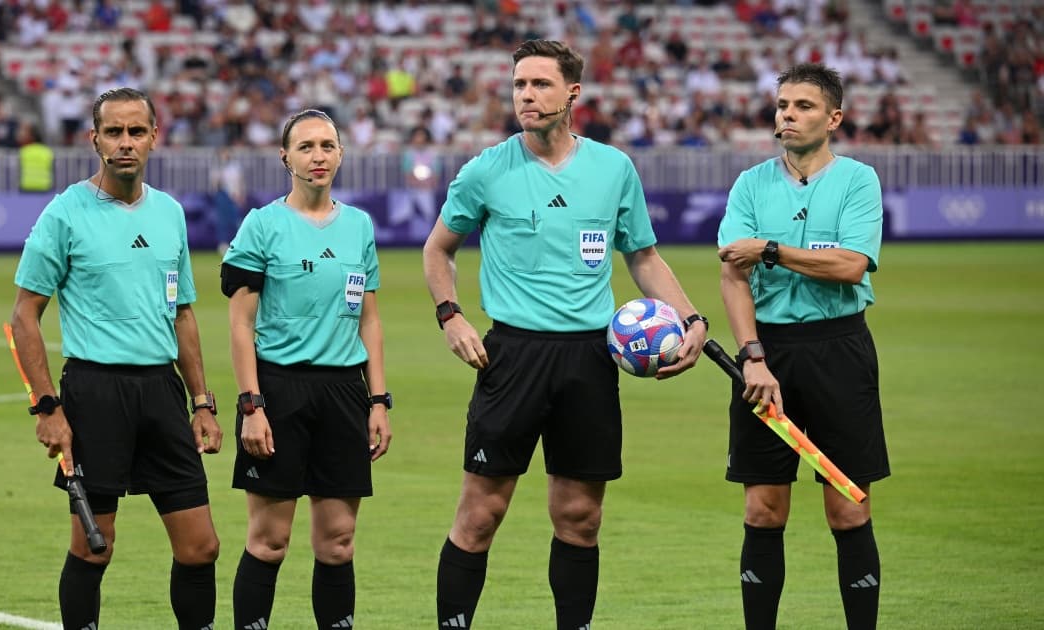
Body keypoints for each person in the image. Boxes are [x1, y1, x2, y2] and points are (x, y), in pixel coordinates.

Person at [423, 40, 708, 630]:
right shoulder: (486, 170)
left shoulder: (613, 169)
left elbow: (645, 257)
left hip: (589, 359)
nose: (526, 95)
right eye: (519, 84)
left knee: (580, 516)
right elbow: (437, 249)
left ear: (572, 93)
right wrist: (450, 314)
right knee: (480, 515)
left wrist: (692, 318)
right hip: (511, 357)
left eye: (540, 84)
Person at [10, 87, 222, 630]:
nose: (125, 143)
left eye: (136, 131)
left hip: (162, 393)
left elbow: (183, 315)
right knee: (93, 547)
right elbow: (24, 317)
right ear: (94, 139)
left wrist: (201, 401)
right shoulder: (64, 214)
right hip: (95, 392)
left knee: (201, 547)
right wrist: (47, 407)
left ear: (155, 136)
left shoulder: (170, 213)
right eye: (114, 132)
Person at [716, 63, 888, 630]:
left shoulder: (859, 181)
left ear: (834, 117)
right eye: (782, 105)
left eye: (803, 106)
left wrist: (770, 249)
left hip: (840, 350)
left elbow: (850, 265)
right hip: (768, 354)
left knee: (847, 505)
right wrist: (752, 356)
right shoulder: (750, 184)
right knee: (763, 509)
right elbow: (731, 274)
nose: (786, 114)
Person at [220, 109, 392, 630]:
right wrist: (251, 405)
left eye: (327, 145)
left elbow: (370, 320)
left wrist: (379, 400)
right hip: (278, 390)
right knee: (269, 542)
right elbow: (239, 324)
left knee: (338, 543)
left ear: (341, 153)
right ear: (285, 157)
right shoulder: (262, 224)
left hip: (344, 392)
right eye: (307, 147)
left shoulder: (359, 225)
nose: (318, 156)